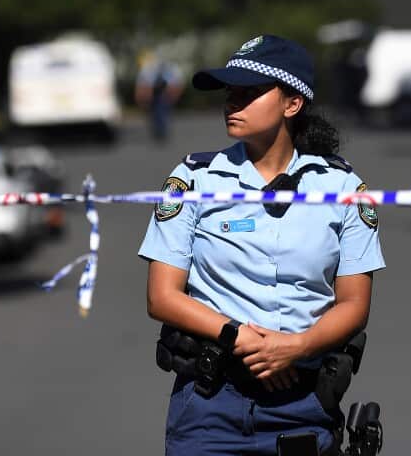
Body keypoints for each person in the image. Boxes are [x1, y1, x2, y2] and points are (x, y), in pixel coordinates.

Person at [139, 34, 385, 455]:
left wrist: (295, 347)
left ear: (293, 104)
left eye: (249, 93)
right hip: (209, 405)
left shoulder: (344, 189)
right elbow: (162, 297)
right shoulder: (193, 180)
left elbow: (354, 305)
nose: (233, 102)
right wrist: (242, 340)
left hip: (302, 404)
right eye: (230, 92)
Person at [135, 51, 185, 143]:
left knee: (160, 112)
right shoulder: (153, 69)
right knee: (158, 112)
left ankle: (161, 131)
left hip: (162, 93)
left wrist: (143, 101)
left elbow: (146, 88)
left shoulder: (148, 70)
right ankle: (160, 131)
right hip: (160, 92)